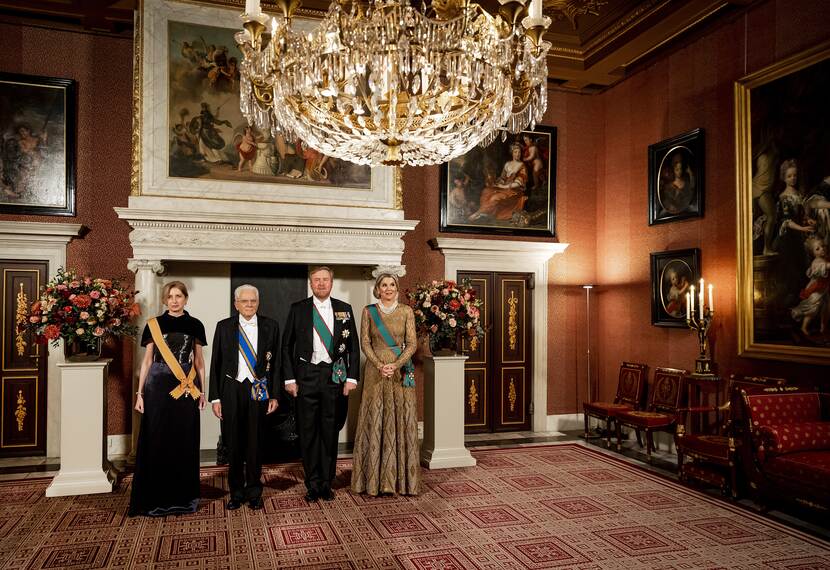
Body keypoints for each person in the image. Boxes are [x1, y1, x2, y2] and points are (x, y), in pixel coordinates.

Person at [282, 266, 360, 502]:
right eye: (317, 280)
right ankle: (312, 483)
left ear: (331, 282)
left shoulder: (344, 310)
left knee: (329, 430)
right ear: (311, 283)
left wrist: (351, 378)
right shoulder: (298, 309)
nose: (321, 284)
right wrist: (289, 379)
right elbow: (286, 346)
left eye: (325, 280)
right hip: (306, 376)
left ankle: (326, 483)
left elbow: (353, 347)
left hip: (334, 377)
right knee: (308, 432)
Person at [129, 281, 207, 517]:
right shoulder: (154, 324)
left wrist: (203, 392)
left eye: (179, 296)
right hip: (158, 388)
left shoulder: (195, 325)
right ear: (165, 300)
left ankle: (183, 498)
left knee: (184, 440)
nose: (174, 300)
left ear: (185, 299)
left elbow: (199, 363)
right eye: (170, 296)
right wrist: (139, 394)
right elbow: (147, 361)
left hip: (185, 389)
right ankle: (156, 499)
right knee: (157, 440)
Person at [209, 284, 280, 510]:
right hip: (231, 388)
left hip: (259, 387)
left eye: (253, 301)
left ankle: (254, 492)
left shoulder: (271, 326)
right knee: (234, 442)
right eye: (244, 301)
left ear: (258, 303)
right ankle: (236, 493)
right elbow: (216, 363)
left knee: (255, 442)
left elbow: (276, 364)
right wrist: (215, 398)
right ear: (236, 303)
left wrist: (274, 395)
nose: (249, 305)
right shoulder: (224, 327)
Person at [351, 273, 420, 496]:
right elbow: (365, 342)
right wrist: (380, 364)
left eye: (392, 285)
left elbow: (412, 343)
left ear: (397, 288)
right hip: (375, 370)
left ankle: (401, 481)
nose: (388, 288)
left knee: (401, 418)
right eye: (384, 285)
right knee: (376, 417)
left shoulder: (406, 311)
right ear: (377, 289)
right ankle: (371, 481)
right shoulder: (368, 311)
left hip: (401, 371)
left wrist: (396, 365)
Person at [468, 142, 529, 222]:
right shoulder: (507, 164)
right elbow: (503, 178)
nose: (517, 154)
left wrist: (504, 187)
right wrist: (497, 182)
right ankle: (486, 213)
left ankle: (478, 213)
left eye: (519, 152)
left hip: (514, 190)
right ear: (512, 153)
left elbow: (518, 183)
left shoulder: (522, 166)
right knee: (486, 191)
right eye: (515, 152)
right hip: (504, 188)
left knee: (494, 198)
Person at [791, 236, 830, 336]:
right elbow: (824, 267)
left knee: (826, 308)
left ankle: (823, 328)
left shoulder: (824, 259)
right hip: (816, 289)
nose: (822, 249)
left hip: (824, 289)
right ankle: (804, 327)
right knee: (812, 309)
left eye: (823, 246)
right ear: (813, 253)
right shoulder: (816, 263)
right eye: (818, 248)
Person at [659, 151, 695, 215]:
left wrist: (691, 174)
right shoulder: (668, 186)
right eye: (677, 169)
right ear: (674, 170)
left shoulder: (686, 184)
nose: (679, 171)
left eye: (680, 169)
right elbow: (666, 202)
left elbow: (689, 196)